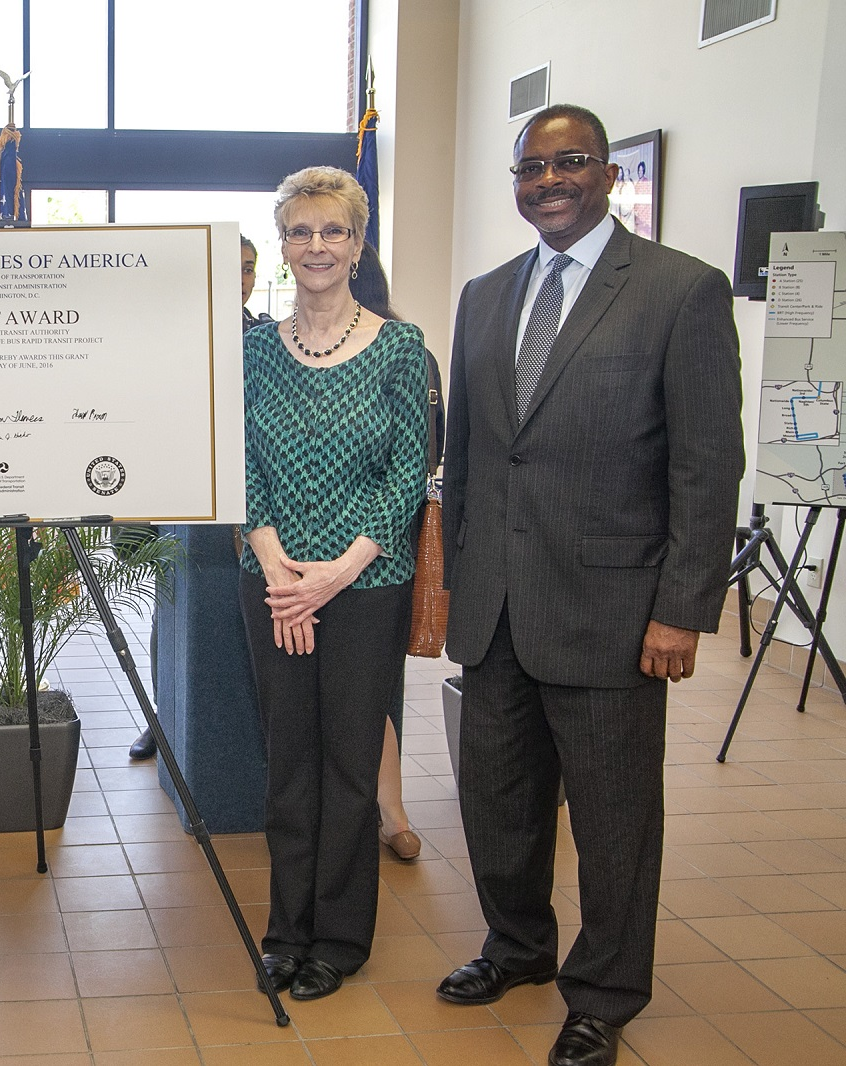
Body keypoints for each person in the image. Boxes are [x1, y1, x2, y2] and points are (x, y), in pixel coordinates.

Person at [438, 104, 742, 1066]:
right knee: (497, 802)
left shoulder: (679, 291)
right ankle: (517, 946)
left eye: (569, 163)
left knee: (614, 819)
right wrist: (455, 583)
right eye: (531, 168)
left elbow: (706, 463)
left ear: (609, 175)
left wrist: (682, 609)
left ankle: (604, 991)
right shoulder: (485, 296)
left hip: (614, 613)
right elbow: (476, 452)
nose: (548, 180)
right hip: (495, 607)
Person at [240, 167, 427, 1001]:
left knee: (350, 766)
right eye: (300, 232)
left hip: (365, 586)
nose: (316, 247)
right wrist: (279, 564)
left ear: (357, 244)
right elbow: (237, 463)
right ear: (282, 245)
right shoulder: (249, 351)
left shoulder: (400, 346)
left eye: (334, 231)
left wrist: (338, 573)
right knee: (288, 764)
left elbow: (406, 476)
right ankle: (287, 931)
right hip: (271, 580)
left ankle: (341, 939)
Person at [129, 233, 271, 762]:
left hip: (252, 503)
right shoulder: (166, 337)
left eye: (249, 268)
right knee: (172, 616)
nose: (240, 279)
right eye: (229, 268)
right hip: (180, 500)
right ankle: (163, 721)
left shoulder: (269, 338)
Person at [349, 242, 439, 863]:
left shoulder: (406, 349)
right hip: (293, 558)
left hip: (378, 555)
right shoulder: (272, 348)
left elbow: (422, 457)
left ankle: (391, 810)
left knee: (369, 693)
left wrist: (361, 544)